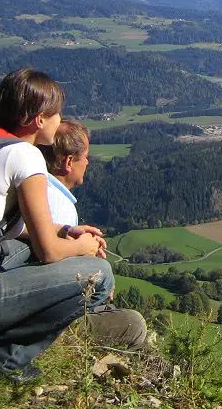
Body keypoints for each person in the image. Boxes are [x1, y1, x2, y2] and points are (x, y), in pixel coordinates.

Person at [0, 68, 113, 382]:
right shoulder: (26, 157)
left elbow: (10, 229)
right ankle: (2, 356)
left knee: (22, 248)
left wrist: (65, 230)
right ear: (39, 119)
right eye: (56, 115)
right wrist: (84, 247)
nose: (59, 120)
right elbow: (49, 253)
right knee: (100, 273)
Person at [39, 120, 148, 349]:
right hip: (51, 317)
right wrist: (97, 280)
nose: (88, 162)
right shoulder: (58, 204)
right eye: (85, 156)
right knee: (134, 324)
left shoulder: (36, 189)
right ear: (69, 162)